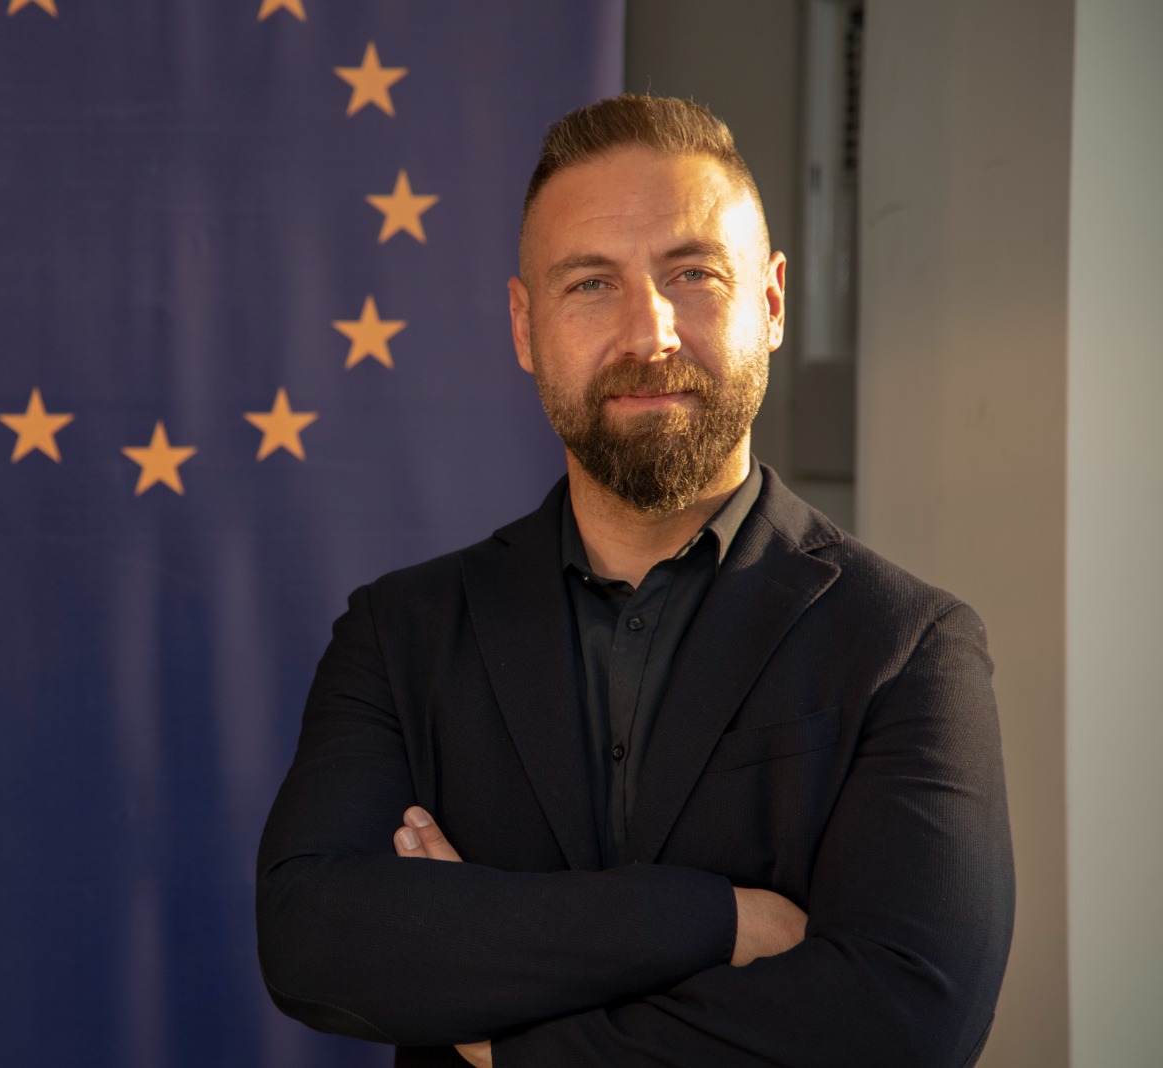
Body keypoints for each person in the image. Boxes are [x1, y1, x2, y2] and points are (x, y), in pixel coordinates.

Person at [256, 94, 1013, 1068]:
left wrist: (500, 1041)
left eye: (693, 274)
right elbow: (314, 940)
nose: (649, 333)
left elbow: (905, 1021)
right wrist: (713, 918)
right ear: (524, 327)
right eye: (590, 284)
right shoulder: (399, 633)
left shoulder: (907, 645)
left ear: (772, 304)